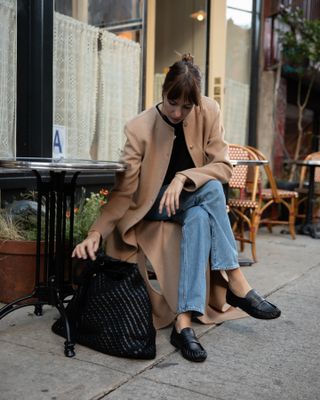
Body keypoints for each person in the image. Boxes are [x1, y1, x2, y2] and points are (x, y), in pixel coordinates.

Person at [72, 54, 281, 363]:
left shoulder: (209, 111)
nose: (178, 112)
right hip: (151, 207)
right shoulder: (138, 128)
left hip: (189, 202)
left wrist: (183, 178)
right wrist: (95, 233)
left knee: (199, 214)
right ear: (163, 92)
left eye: (187, 107)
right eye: (173, 103)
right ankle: (236, 280)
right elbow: (124, 193)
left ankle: (183, 323)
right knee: (209, 191)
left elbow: (223, 166)